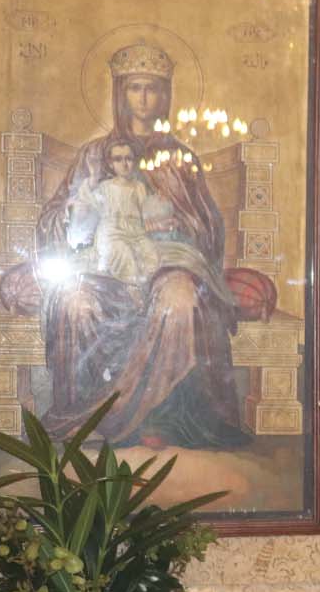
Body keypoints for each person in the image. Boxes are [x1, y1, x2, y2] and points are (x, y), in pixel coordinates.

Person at [33, 41, 248, 449]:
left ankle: (163, 417)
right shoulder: (94, 156)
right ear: (120, 92)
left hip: (168, 263)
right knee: (76, 303)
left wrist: (175, 223)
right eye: (135, 87)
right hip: (104, 266)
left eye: (152, 88)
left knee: (180, 300)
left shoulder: (179, 159)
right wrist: (77, 217)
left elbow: (207, 225)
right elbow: (57, 216)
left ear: (165, 95)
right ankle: (90, 417)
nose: (144, 98)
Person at [75, 140, 162, 289]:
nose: (124, 164)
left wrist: (154, 217)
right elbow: (88, 202)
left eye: (128, 158)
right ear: (111, 164)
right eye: (118, 159)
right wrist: (94, 175)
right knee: (124, 257)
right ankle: (131, 292)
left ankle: (143, 292)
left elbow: (146, 210)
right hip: (112, 232)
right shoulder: (106, 186)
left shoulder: (139, 187)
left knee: (152, 257)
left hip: (136, 232)